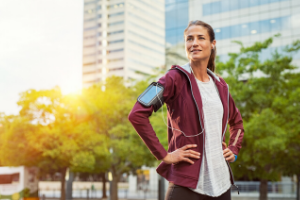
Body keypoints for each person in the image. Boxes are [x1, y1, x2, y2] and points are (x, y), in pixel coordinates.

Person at [128, 20, 244, 200]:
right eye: (189, 39)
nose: (194, 43)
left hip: (222, 186)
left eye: (201, 38)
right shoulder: (173, 78)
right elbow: (137, 114)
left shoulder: (221, 86)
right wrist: (164, 155)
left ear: (212, 44)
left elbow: (236, 122)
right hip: (187, 185)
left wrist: (233, 149)